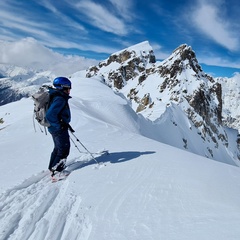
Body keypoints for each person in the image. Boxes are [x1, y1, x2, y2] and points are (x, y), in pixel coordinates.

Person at [46, 77, 72, 177]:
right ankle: (57, 172)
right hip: (58, 129)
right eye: (68, 88)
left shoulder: (56, 95)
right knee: (64, 149)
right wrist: (59, 125)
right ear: (62, 87)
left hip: (54, 128)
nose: (69, 90)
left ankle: (52, 167)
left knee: (58, 148)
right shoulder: (60, 98)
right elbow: (50, 115)